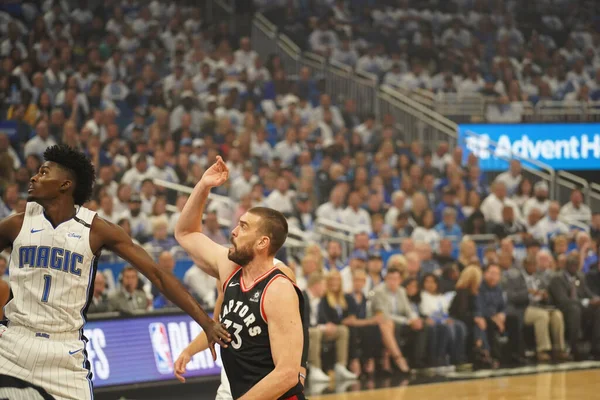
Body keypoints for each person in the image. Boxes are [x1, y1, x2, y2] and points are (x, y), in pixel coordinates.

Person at [0, 145, 228, 400]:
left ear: (65, 185)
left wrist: (206, 322)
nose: (33, 177)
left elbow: (157, 275)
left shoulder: (97, 229)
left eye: (43, 172)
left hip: (64, 352)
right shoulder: (16, 224)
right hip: (13, 345)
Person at [174, 156, 306, 399]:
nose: (234, 231)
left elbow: (288, 373)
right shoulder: (230, 269)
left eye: (244, 227)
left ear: (262, 242)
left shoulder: (278, 286)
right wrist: (204, 186)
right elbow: (186, 233)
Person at [174, 259, 303, 400]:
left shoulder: (280, 276)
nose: (234, 236)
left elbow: (299, 329)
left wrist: (302, 367)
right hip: (232, 385)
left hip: (264, 386)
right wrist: (189, 351)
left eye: (241, 235)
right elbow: (216, 327)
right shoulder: (228, 273)